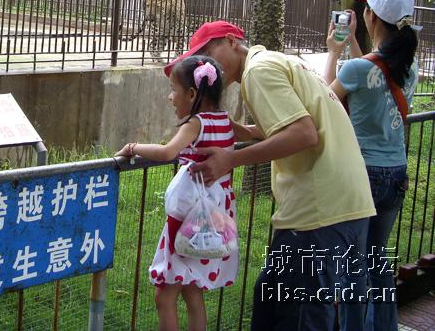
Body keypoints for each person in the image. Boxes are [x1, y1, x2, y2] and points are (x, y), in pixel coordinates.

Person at [167, 20, 375, 331]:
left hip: (318, 213)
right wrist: (241, 129)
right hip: (345, 206)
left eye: (208, 52)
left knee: (299, 318)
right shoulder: (277, 61)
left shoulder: (258, 72)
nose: (205, 64)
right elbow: (287, 125)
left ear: (232, 41)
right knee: (271, 300)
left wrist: (231, 159)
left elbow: (303, 134)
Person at [116, 55, 240, 331]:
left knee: (164, 295)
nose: (170, 97)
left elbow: (167, 152)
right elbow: (251, 133)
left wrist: (133, 148)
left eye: (173, 90)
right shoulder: (224, 120)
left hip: (189, 220)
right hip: (216, 216)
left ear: (192, 94)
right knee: (192, 291)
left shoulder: (196, 123)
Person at [324, 0, 420, 331]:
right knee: (376, 260)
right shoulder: (409, 68)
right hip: (395, 174)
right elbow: (372, 73)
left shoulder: (357, 69)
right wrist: (352, 41)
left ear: (371, 17)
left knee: (352, 265)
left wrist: (333, 53)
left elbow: (325, 102)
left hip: (362, 174)